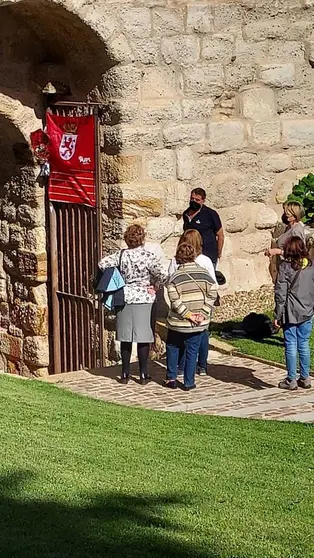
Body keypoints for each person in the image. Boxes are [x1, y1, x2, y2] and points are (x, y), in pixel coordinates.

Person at [98, 224, 167, 385]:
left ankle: (124, 373)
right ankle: (143, 374)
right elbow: (162, 274)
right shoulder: (148, 256)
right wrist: (156, 285)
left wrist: (118, 277)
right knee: (143, 338)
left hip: (126, 296)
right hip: (145, 297)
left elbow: (102, 264)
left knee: (126, 337)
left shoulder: (121, 255)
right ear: (142, 238)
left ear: (127, 239)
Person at [164, 243, 217, 391]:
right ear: (194, 255)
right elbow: (213, 293)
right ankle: (189, 382)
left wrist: (187, 314)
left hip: (178, 321)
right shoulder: (204, 274)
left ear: (177, 257)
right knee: (192, 350)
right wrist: (203, 313)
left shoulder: (175, 277)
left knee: (173, 346)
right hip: (199, 322)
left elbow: (175, 300)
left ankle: (171, 378)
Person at [274, 236, 314, 390]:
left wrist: (277, 315)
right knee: (304, 343)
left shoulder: (285, 267)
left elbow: (280, 293)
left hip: (290, 311)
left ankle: (291, 379)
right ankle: (305, 377)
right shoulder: (311, 265)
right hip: (307, 310)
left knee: (291, 344)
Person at [183, 187, 224, 268]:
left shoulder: (211, 214)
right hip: (190, 256)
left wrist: (218, 253)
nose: (194, 201)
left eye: (197, 200)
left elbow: (220, 235)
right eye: (192, 199)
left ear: (203, 200)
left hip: (208, 255)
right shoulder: (186, 214)